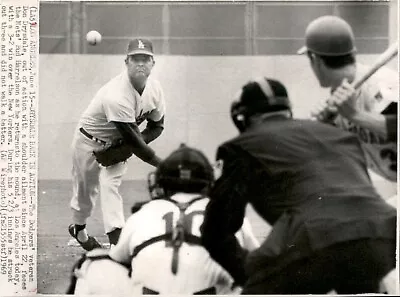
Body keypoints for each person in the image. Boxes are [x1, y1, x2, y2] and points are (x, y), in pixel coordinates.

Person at [200, 77, 397, 294]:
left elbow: (215, 230)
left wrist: (250, 274)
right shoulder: (339, 135)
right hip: (385, 233)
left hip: (314, 237)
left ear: (243, 117)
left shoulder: (239, 148)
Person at [67, 144, 259, 295]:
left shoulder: (145, 212)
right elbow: (260, 263)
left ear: (161, 184)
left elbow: (119, 259)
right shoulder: (226, 212)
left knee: (93, 263)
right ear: (208, 183)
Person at [69, 38, 166, 250]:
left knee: (110, 185)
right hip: (88, 142)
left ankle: (116, 243)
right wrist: (163, 165)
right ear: (126, 62)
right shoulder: (116, 95)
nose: (140, 63)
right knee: (85, 197)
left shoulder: (155, 90)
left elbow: (157, 126)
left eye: (145, 59)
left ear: (153, 63)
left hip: (120, 142)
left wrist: (125, 148)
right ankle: (79, 230)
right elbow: (137, 145)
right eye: (135, 59)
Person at [297, 15, 398, 186]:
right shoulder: (340, 96)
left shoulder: (381, 82)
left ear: (316, 60)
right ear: (353, 53)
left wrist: (355, 115)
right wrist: (324, 126)